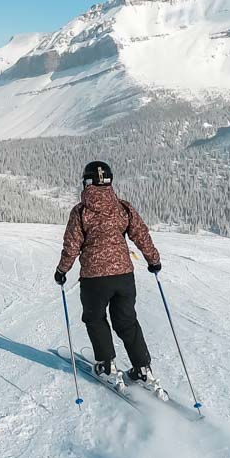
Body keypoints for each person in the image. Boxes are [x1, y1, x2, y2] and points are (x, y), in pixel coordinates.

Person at [54, 160, 166, 396]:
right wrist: (153, 260)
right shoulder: (123, 208)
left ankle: (106, 365)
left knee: (95, 319)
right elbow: (141, 235)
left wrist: (62, 270)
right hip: (124, 276)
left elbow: (72, 246)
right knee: (127, 321)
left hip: (95, 279)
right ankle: (142, 369)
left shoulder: (81, 211)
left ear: (86, 182)